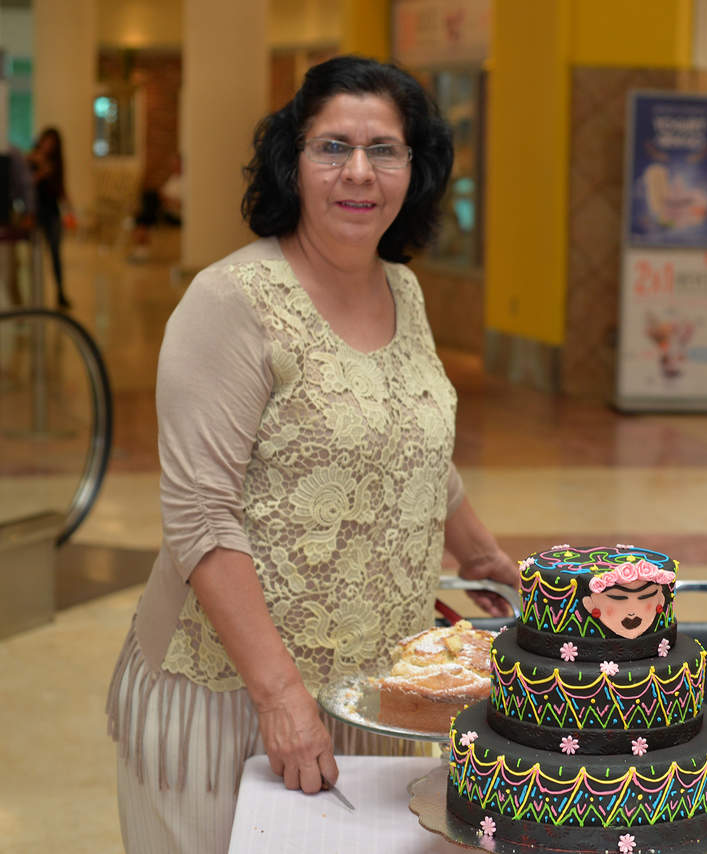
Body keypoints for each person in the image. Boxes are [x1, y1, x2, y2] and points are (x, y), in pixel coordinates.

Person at [105, 56, 517, 854]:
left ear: (415, 169)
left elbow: (411, 440)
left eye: (384, 149)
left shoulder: (403, 291)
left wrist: (478, 551)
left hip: (372, 693)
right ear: (292, 162)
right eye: (333, 147)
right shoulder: (231, 301)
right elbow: (200, 516)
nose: (359, 172)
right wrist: (280, 697)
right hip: (235, 699)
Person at [27, 127, 72, 309]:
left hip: (52, 212)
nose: (49, 145)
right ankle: (35, 294)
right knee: (35, 255)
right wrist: (41, 172)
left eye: (52, 143)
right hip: (37, 213)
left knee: (55, 253)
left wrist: (69, 211)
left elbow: (61, 189)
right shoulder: (32, 159)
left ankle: (60, 292)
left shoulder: (56, 163)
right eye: (47, 141)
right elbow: (26, 185)